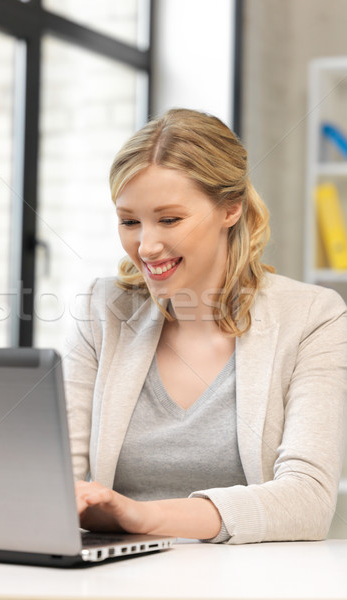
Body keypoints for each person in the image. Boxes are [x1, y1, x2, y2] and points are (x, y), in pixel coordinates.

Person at [64, 108, 347, 544]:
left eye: (170, 219)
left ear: (230, 209)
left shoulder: (314, 316)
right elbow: (53, 475)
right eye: (129, 221)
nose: (147, 245)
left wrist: (141, 516)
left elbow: (308, 501)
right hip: (109, 579)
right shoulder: (103, 309)